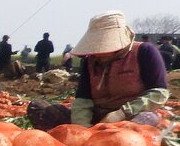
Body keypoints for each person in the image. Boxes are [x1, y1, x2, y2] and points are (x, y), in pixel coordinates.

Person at [27, 11, 170, 130]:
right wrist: (82, 128)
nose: (98, 53)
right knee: (37, 108)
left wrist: (121, 113)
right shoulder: (90, 60)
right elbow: (83, 98)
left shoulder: (144, 52)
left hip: (130, 116)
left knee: (142, 121)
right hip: (96, 116)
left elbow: (159, 93)